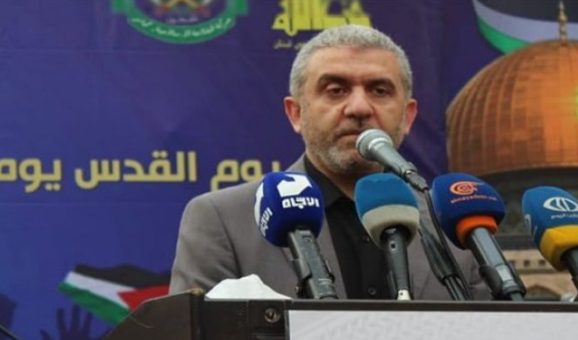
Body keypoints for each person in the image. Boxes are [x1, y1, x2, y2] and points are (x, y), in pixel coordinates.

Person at [169, 25, 489, 300]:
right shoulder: (224, 220)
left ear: (408, 117)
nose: (359, 108)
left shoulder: (453, 226)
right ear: (296, 113)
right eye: (336, 90)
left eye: (379, 90)